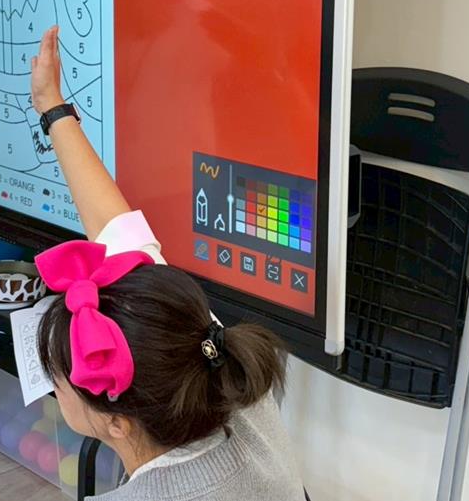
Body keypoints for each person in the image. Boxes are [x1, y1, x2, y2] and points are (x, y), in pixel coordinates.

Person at [29, 26, 305, 501]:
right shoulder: (235, 392)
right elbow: (117, 231)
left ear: (117, 423)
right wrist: (52, 107)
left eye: (60, 377)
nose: (55, 384)